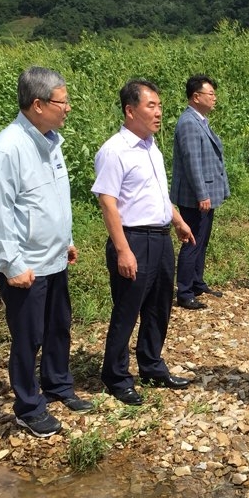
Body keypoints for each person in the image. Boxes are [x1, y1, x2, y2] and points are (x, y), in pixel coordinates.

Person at [0, 66, 93, 438]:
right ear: (39, 104)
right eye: (64, 101)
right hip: (25, 265)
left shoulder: (50, 141)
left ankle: (59, 386)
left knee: (58, 327)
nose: (69, 108)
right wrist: (12, 264)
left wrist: (67, 239)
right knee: (28, 338)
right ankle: (29, 406)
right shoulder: (7, 148)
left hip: (53, 257)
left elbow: (52, 200)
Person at [92, 79, 196, 406]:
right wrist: (122, 249)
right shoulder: (114, 151)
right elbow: (108, 203)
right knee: (127, 310)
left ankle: (151, 366)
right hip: (133, 239)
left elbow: (158, 194)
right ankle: (116, 376)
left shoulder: (152, 146)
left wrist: (177, 220)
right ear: (130, 110)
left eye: (160, 106)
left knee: (159, 306)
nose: (159, 112)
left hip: (161, 237)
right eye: (151, 106)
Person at [170, 74, 230, 310]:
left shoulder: (200, 120)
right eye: (210, 94)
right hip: (196, 196)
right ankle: (184, 292)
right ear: (196, 97)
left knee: (202, 240)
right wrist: (201, 194)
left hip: (205, 194)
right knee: (192, 241)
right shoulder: (188, 123)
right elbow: (192, 161)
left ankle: (196, 282)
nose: (214, 98)